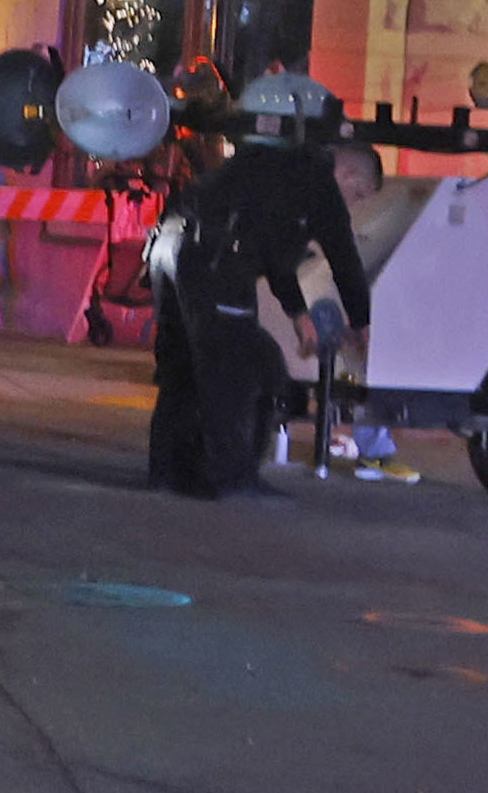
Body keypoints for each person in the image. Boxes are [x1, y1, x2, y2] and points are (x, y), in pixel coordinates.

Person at [149, 68, 370, 499]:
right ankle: (232, 479)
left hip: (170, 247)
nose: (357, 200)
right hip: (216, 260)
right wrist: (362, 321)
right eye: (359, 191)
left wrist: (298, 313)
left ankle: (167, 473)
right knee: (235, 373)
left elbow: (269, 247)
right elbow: (343, 256)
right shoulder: (312, 175)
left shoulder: (251, 166)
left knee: (182, 371)